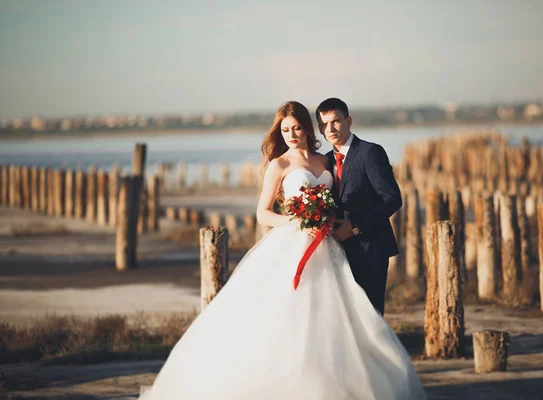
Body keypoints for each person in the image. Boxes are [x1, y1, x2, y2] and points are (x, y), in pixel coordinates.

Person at [138, 101, 426, 400]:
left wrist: (342, 224)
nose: (291, 134)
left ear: (309, 128)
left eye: (297, 128)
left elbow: (374, 199)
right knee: (290, 315)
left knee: (343, 317)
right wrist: (299, 220)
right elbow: (263, 213)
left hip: (333, 248)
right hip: (294, 243)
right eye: (285, 130)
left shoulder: (325, 161)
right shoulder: (280, 165)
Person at [317, 97, 402, 316]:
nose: (331, 128)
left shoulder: (370, 152)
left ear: (349, 121)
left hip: (370, 249)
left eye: (336, 121)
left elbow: (392, 198)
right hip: (337, 252)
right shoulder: (325, 160)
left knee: (371, 316)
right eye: (324, 124)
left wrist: (355, 227)